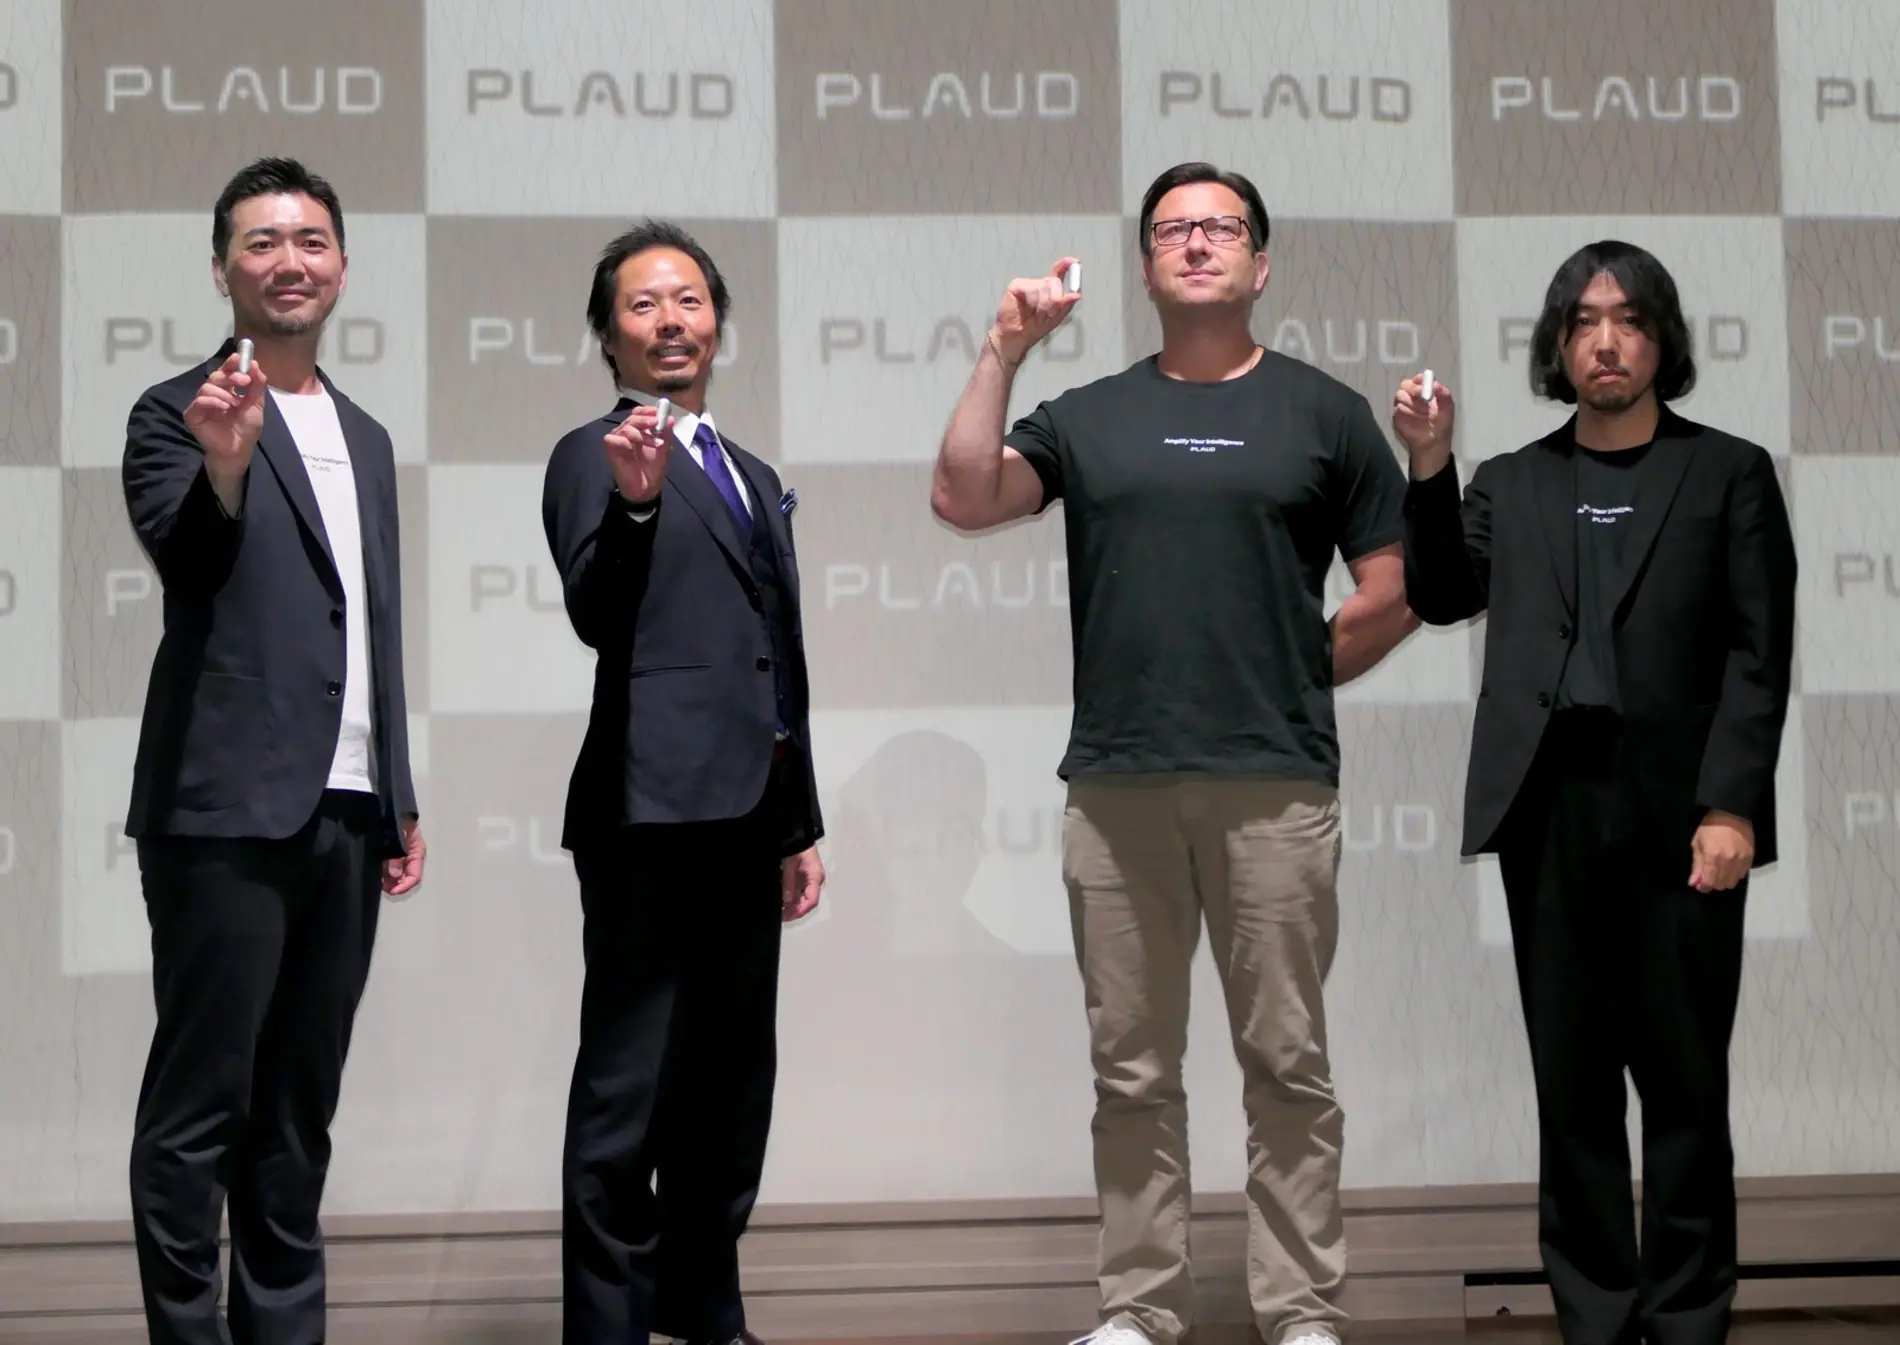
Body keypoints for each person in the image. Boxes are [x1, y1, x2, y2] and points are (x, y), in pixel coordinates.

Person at [930, 161, 1416, 1345]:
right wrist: (1003, 348)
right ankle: (1140, 1309)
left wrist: (1293, 672)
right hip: (1117, 786)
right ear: (1146, 267)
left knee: (1287, 1065)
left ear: (1260, 263)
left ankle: (1299, 1310)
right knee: (1131, 1073)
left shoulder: (1325, 414)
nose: (1196, 243)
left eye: (1220, 228)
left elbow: (1395, 585)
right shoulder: (1089, 415)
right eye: (1171, 230)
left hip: (1275, 785)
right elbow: (963, 496)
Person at [1394, 241, 1796, 1345]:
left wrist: (1732, 806)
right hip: (1550, 808)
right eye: (1581, 322)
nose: (1604, 342)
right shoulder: (1510, 480)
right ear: (1556, 346)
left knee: (1684, 1085)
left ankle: (1688, 1317)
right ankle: (1596, 1317)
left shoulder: (1728, 472)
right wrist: (1429, 465)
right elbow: (1440, 594)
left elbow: (1759, 653)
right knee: (1571, 1090)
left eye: (1626, 320)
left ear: (1661, 339)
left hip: (1683, 815)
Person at [121, 156, 425, 1345]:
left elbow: (373, 623)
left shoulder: (367, 435)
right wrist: (227, 464)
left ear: (341, 266)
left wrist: (396, 790)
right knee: (200, 1109)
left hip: (347, 809)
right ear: (221, 270)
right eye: (260, 242)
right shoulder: (174, 411)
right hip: (224, 810)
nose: (287, 261)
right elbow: (190, 566)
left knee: (299, 1116)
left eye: (309, 241)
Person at [542, 220, 826, 1345]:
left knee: (729, 1094)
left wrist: (797, 822)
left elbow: (777, 662)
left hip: (749, 821)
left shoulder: (750, 473)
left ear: (718, 323)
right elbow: (596, 614)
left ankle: (707, 1315)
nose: (671, 321)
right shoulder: (592, 453)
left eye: (690, 301)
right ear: (608, 334)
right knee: (629, 1097)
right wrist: (636, 505)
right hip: (646, 818)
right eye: (644, 304)